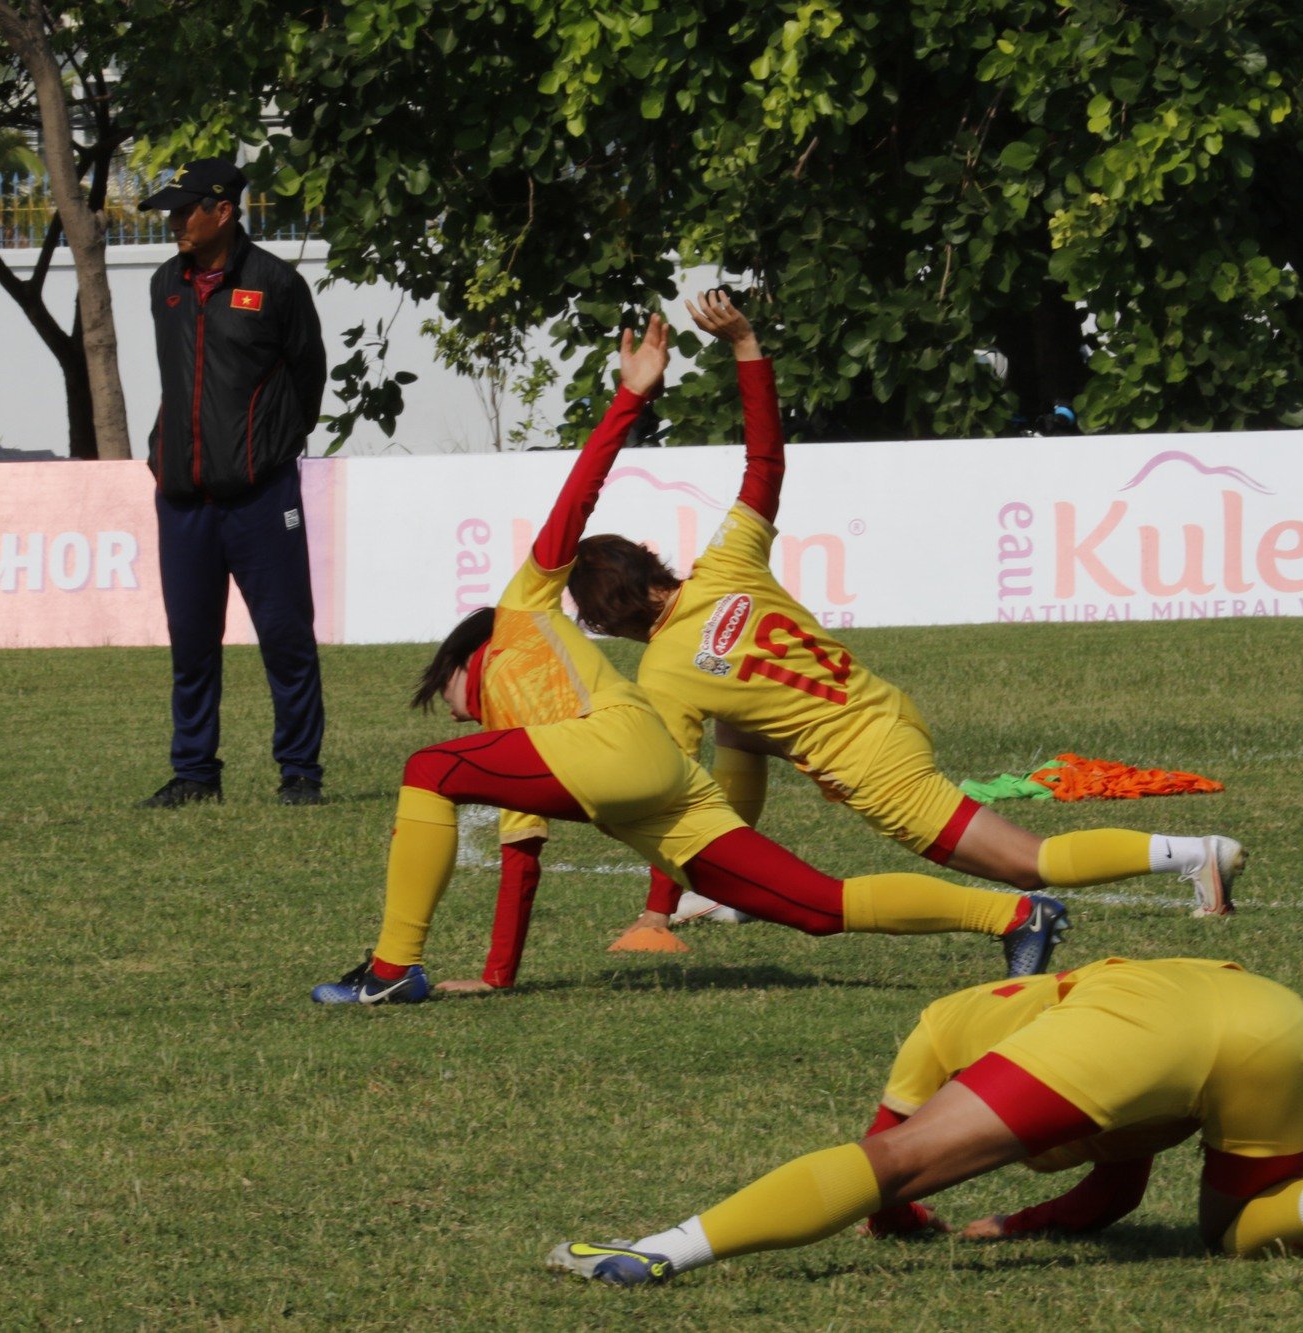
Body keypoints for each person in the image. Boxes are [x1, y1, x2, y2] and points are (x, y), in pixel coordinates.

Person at [310, 318, 1069, 1005]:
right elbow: (522, 857)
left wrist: (631, 398)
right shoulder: (524, 747)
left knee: (427, 768)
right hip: (663, 790)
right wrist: (498, 975)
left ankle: (388, 970)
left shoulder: (521, 607)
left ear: (464, 653)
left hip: (622, 752)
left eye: (446, 687)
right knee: (818, 906)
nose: (452, 707)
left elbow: (579, 494)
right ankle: (1012, 912)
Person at [565, 291, 1244, 953]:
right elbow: (765, 461)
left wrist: (653, 912)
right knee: (737, 725)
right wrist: (746, 345)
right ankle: (724, 888)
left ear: (606, 622)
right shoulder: (727, 564)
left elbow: (674, 792)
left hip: (877, 768)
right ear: (651, 560)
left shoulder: (665, 674)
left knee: (1026, 863)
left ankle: (1192, 855)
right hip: (884, 712)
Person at [548, 956, 1303, 1284]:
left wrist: (910, 1221)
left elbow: (890, 1172)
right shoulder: (1054, 1019)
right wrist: (1016, 1222)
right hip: (1278, 1016)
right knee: (1231, 1226)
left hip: (1138, 1018)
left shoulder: (942, 1023)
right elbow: (1115, 1188)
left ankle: (661, 1250)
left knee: (903, 1157)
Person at [136, 158, 329, 809]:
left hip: (261, 496)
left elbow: (308, 376)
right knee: (192, 644)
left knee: (285, 636)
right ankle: (195, 772)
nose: (174, 222)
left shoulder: (275, 283)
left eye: (185, 210)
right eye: (170, 211)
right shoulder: (165, 283)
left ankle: (299, 770)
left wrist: (270, 448)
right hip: (183, 500)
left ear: (224, 211)